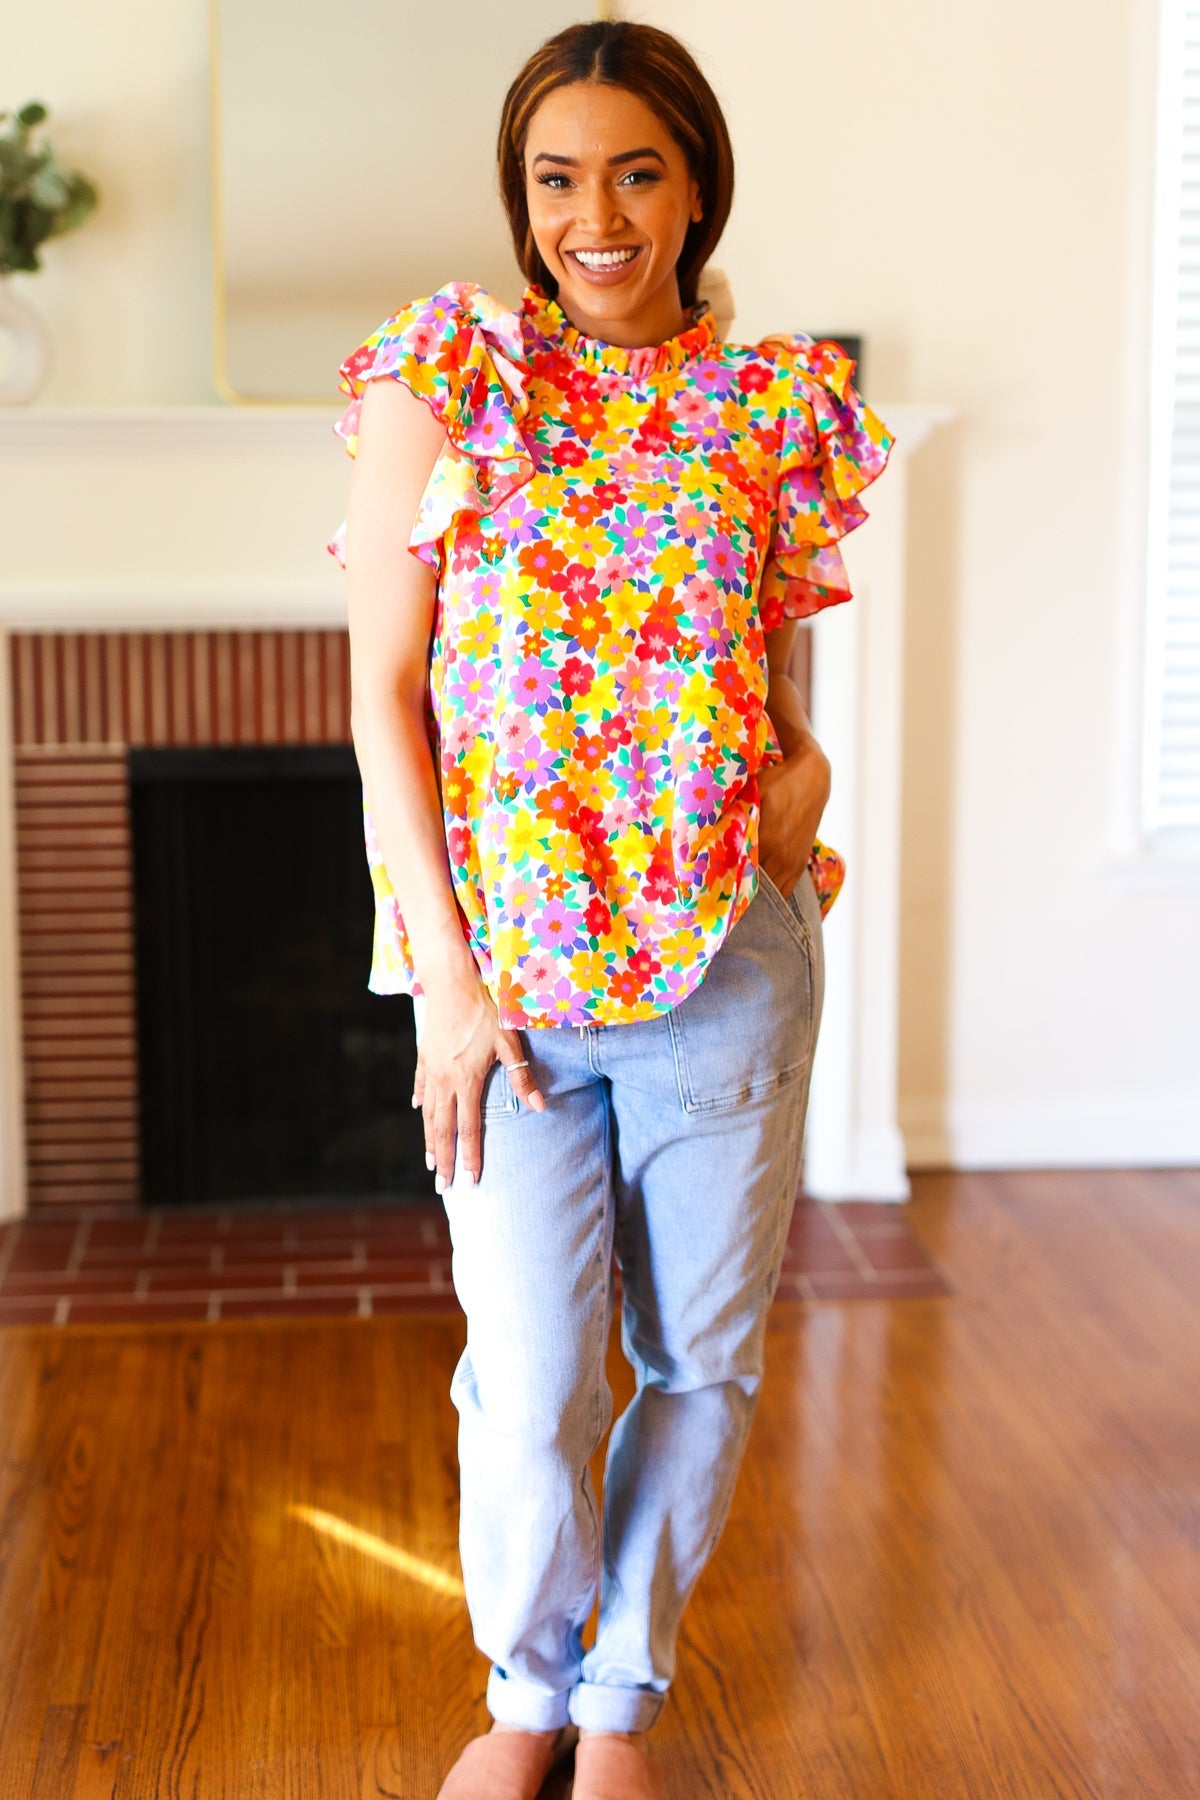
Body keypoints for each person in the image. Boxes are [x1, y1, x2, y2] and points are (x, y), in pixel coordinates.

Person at [328, 20, 893, 1799]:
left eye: (637, 172)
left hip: (727, 967)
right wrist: (445, 988)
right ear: (520, 197)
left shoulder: (776, 403)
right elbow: (384, 697)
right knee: (527, 1375)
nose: (597, 217)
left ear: (697, 189)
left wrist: (805, 780)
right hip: (505, 996)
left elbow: (767, 691)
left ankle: (622, 1701)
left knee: (699, 1362)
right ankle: (525, 1691)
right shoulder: (447, 374)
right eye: (558, 178)